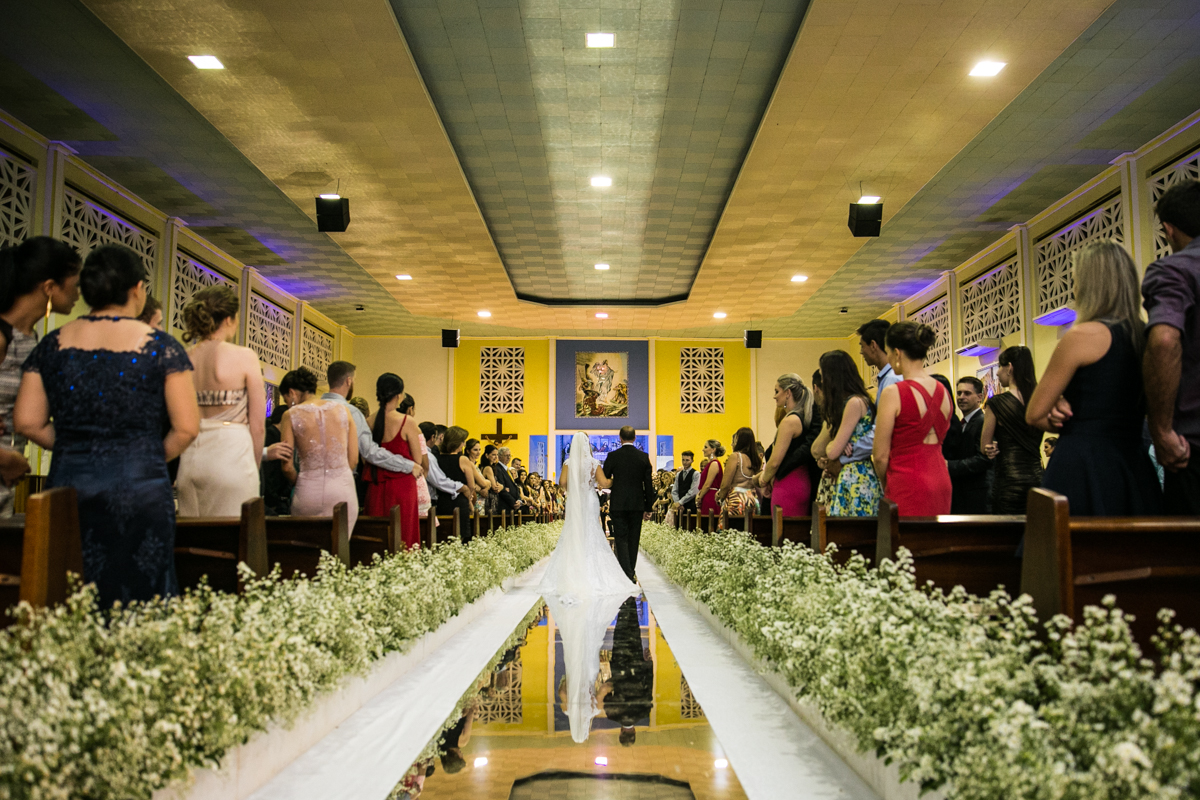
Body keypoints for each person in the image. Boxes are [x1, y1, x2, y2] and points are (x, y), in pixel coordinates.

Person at [15, 243, 199, 607]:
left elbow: (27, 422)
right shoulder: (161, 346)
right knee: (142, 592)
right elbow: (187, 428)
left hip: (70, 487)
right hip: (141, 485)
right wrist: (145, 454)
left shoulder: (52, 344)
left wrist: (74, 445)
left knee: (70, 590)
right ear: (138, 289)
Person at [1026, 241, 1162, 515]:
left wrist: (1061, 412)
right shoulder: (1146, 334)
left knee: (1070, 550)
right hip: (1132, 461)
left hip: (1081, 464)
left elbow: (1035, 414)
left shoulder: (1082, 336)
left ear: (1087, 285)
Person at [0, 237, 81, 513]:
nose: (78, 295)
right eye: (75, 285)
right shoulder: (1, 336)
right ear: (49, 287)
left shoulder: (30, 339)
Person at [175, 285, 266, 517]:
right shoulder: (245, 357)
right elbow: (258, 425)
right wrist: (253, 468)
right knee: (236, 542)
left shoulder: (185, 357)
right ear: (229, 319)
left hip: (191, 458)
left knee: (197, 544)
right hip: (231, 456)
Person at [1140, 179, 1200, 514]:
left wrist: (1161, 431)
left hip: (1193, 446)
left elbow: (1164, 340)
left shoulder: (1176, 269)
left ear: (1168, 230)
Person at [872, 322, 953, 516]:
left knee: (905, 544)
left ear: (897, 353)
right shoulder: (942, 390)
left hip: (907, 479)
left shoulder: (894, 392)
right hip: (941, 478)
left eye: (888, 352)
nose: (889, 358)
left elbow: (880, 456)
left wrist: (887, 483)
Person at [321, 361, 423, 495]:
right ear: (348, 381)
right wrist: (408, 465)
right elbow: (369, 452)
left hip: (308, 484)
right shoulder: (351, 412)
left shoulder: (307, 410)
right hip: (341, 482)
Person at [281, 369, 359, 532]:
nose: (287, 403)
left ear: (292, 392)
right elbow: (353, 460)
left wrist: (304, 481)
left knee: (308, 551)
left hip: (309, 491)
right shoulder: (344, 411)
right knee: (341, 550)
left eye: (286, 398)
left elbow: (287, 466)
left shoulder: (290, 415)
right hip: (343, 490)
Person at [813, 350, 881, 516]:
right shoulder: (856, 401)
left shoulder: (854, 403)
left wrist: (834, 445)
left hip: (856, 477)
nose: (822, 381)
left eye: (823, 375)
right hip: (851, 473)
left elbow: (833, 450)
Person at [364, 373, 424, 547]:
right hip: (402, 486)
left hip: (375, 484)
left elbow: (365, 457)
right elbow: (418, 458)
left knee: (377, 536)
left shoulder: (369, 421)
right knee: (404, 535)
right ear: (399, 395)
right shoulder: (407, 421)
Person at [982, 346, 1043, 514]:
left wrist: (991, 447)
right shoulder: (1039, 399)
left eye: (1000, 367)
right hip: (1037, 477)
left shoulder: (996, 403)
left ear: (1009, 367)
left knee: (1006, 534)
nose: (998, 373)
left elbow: (984, 446)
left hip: (1008, 480)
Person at [755, 373, 815, 516]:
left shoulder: (790, 421)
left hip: (788, 484)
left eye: (777, 391)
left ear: (788, 393)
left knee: (783, 532)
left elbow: (775, 461)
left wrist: (763, 479)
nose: (774, 396)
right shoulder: (802, 417)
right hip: (801, 481)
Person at [602, 426, 656, 581]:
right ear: (634, 438)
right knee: (634, 538)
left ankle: (627, 572)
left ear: (620, 438)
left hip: (618, 502)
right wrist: (648, 506)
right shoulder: (643, 457)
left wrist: (617, 483)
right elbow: (648, 484)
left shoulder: (613, 456)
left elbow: (606, 479)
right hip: (637, 503)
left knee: (621, 538)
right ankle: (630, 570)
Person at [605, 596, 653, 746]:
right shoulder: (613, 714)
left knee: (633, 628)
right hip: (619, 665)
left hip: (637, 663)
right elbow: (607, 693)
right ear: (621, 732)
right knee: (621, 629)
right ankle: (623, 599)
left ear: (634, 732)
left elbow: (649, 684)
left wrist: (649, 663)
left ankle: (630, 599)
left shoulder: (644, 712)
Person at [946, 376, 993, 513]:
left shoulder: (983, 422)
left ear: (979, 397)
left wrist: (949, 465)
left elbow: (984, 459)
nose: (961, 397)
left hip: (978, 496)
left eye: (967, 393)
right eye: (959, 393)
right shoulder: (960, 424)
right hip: (964, 495)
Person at [715, 427, 761, 527]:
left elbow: (725, 484)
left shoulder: (736, 457)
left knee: (729, 531)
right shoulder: (755, 459)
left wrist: (720, 497)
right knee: (747, 531)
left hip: (736, 498)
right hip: (751, 498)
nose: (732, 443)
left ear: (739, 440)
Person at [417, 420, 465, 514]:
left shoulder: (417, 452)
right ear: (432, 437)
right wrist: (460, 486)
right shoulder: (428, 456)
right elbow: (439, 480)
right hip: (428, 500)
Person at [435, 426, 475, 537]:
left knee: (444, 535)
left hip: (442, 501)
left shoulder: (437, 458)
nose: (463, 445)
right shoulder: (462, 459)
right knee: (461, 535)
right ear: (457, 442)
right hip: (459, 502)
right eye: (463, 441)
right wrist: (470, 502)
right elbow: (471, 485)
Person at [399, 395, 433, 521]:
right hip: (413, 483)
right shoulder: (414, 428)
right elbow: (424, 464)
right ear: (410, 409)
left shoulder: (383, 424)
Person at [858, 319, 901, 398]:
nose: (861, 352)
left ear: (873, 345)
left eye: (862, 346)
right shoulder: (889, 376)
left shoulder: (891, 379)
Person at [696, 438, 725, 519]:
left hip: (710, 497)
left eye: (705, 447)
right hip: (706, 495)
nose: (703, 449)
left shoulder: (714, 464)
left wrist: (699, 497)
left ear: (713, 449)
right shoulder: (710, 464)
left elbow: (707, 484)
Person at [492, 445, 521, 512]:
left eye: (509, 455)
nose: (508, 457)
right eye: (506, 455)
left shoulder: (508, 470)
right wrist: (513, 502)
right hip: (504, 506)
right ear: (499, 457)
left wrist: (519, 500)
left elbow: (514, 487)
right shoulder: (498, 469)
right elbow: (502, 489)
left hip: (512, 507)